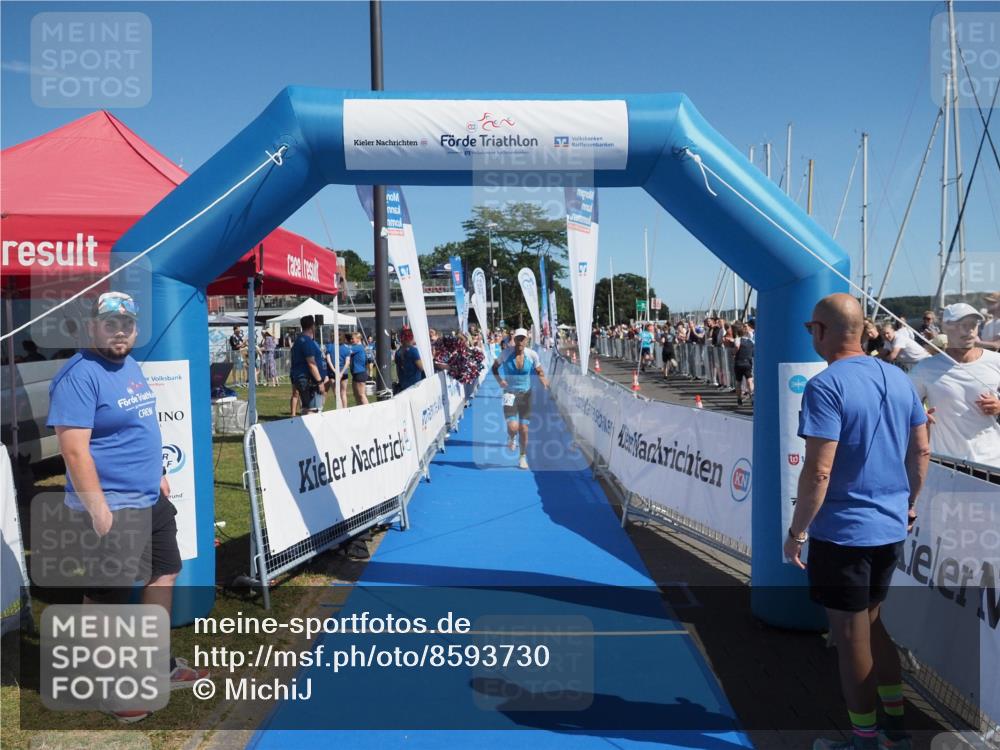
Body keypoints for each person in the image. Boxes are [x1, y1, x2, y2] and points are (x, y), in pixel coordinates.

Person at [46, 291, 208, 722]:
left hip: (149, 497)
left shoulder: (129, 365)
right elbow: (74, 451)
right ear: (92, 326)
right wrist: (98, 509)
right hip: (112, 505)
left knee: (164, 572)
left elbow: (142, 423)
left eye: (127, 324)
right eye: (110, 323)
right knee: (107, 596)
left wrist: (158, 472)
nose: (120, 331)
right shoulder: (78, 375)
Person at [786, 293, 930, 750]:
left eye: (811, 328)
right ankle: (895, 730)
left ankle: (865, 740)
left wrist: (796, 532)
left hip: (844, 533)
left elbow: (819, 471)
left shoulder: (826, 386)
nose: (811, 335)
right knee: (872, 624)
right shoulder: (898, 377)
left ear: (822, 331)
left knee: (851, 638)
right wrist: (909, 503)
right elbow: (921, 450)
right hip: (889, 526)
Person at [908, 303, 1000, 468]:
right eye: (962, 325)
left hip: (991, 462)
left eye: (973, 325)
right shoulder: (926, 368)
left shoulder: (995, 361)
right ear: (945, 328)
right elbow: (902, 404)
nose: (969, 330)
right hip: (947, 463)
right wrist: (919, 415)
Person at [491, 328, 549, 470]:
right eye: (518, 338)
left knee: (524, 428)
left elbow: (539, 371)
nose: (520, 341)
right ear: (514, 339)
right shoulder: (506, 354)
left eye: (523, 339)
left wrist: (544, 381)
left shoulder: (532, 355)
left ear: (527, 340)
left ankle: (522, 457)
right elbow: (494, 368)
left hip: (525, 394)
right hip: (509, 394)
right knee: (513, 427)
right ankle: (511, 437)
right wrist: (500, 381)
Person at [289, 315, 325, 415]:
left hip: (301, 378)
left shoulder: (299, 340)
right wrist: (320, 382)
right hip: (308, 379)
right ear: (312, 326)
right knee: (313, 409)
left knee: (306, 407)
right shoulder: (306, 341)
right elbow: (311, 364)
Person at [393, 328, 425, 393]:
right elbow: (422, 367)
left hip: (403, 384)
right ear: (411, 338)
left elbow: (398, 369)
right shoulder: (413, 351)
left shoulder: (398, 352)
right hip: (415, 384)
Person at [731, 322, 754, 406]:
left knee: (738, 382)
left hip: (739, 362)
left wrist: (733, 353)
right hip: (748, 363)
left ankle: (739, 399)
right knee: (749, 380)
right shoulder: (751, 341)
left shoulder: (738, 339)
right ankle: (752, 397)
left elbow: (737, 346)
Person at [350, 332, 370, 406]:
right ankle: (360, 410)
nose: (351, 340)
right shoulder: (357, 347)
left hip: (360, 373)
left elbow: (347, 351)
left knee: (361, 395)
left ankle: (368, 410)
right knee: (356, 395)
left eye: (353, 339)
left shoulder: (358, 347)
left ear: (358, 339)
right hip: (356, 373)